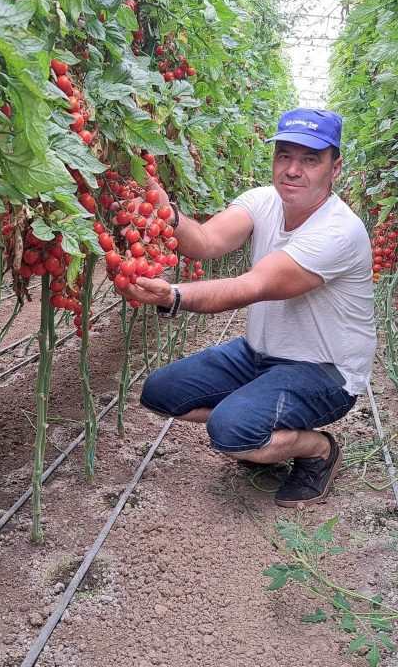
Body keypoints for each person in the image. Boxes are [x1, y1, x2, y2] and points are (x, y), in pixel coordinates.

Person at [121, 108, 376, 508]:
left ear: (334, 168)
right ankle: (259, 424)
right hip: (258, 354)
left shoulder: (338, 231)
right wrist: (165, 210)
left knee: (230, 432)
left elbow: (251, 286)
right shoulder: (263, 200)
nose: (293, 169)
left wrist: (174, 296)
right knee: (160, 392)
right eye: (284, 155)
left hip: (325, 372)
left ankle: (318, 449)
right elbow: (206, 241)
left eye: (310, 159)